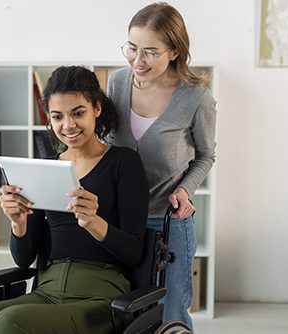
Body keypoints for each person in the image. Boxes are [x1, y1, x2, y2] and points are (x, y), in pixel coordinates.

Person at [0, 66, 149, 334]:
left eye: (78, 113)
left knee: (8, 324)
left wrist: (93, 223)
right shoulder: (46, 169)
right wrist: (18, 223)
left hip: (100, 297)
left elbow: (135, 252)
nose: (68, 125)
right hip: (47, 289)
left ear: (97, 109)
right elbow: (24, 259)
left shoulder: (123, 163)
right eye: (57, 116)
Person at [107, 2, 217, 329]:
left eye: (150, 52)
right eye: (132, 48)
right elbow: (108, 146)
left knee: (171, 312)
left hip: (169, 222)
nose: (137, 61)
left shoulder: (195, 96)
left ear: (174, 51)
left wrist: (185, 188)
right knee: (124, 311)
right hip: (120, 221)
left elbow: (205, 155)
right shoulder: (117, 84)